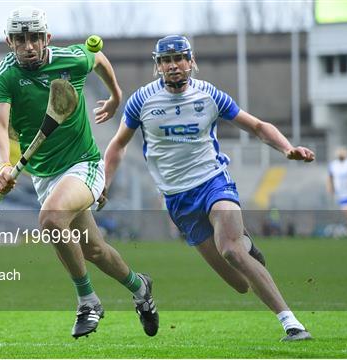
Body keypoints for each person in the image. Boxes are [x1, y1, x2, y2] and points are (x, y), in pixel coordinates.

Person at [102, 35, 315, 342]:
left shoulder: (209, 95)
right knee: (240, 284)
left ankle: (292, 323)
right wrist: (105, 185)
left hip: (213, 182)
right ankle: (245, 243)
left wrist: (287, 149)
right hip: (177, 200)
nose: (173, 66)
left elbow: (256, 126)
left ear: (191, 62)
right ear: (158, 65)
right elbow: (117, 147)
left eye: (179, 58)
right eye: (166, 60)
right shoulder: (141, 101)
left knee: (231, 250)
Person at [0, 7, 158, 339]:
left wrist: (115, 95)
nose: (29, 46)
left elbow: (97, 57)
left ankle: (88, 302)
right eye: (20, 39)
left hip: (85, 164)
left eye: (35, 38)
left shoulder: (71, 59)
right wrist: (4, 165)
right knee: (94, 251)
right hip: (44, 174)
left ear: (46, 37)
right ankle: (141, 289)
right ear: (9, 41)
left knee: (51, 218)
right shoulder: (4, 76)